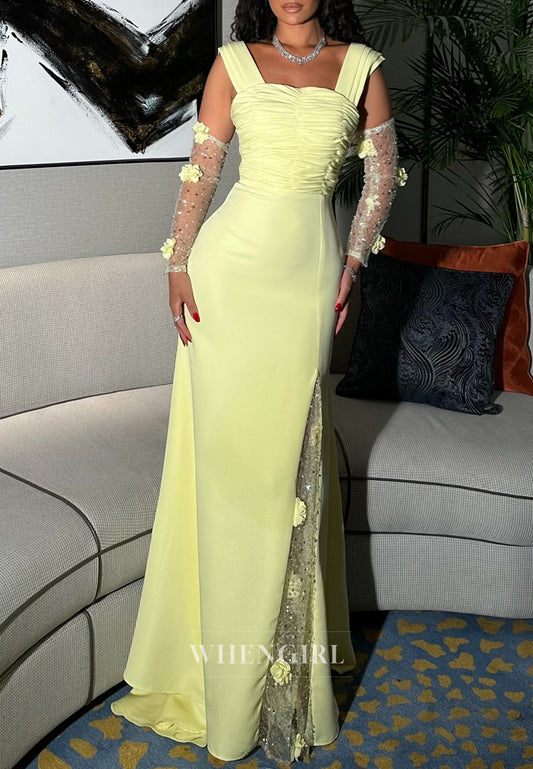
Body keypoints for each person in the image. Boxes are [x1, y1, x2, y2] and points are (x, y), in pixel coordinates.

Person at [111, 0, 402, 763]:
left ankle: (281, 675)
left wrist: (353, 260)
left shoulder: (360, 68)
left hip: (305, 279)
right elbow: (203, 168)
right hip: (228, 276)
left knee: (286, 468)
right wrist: (178, 260)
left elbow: (382, 173)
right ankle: (219, 683)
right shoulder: (232, 64)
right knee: (227, 470)